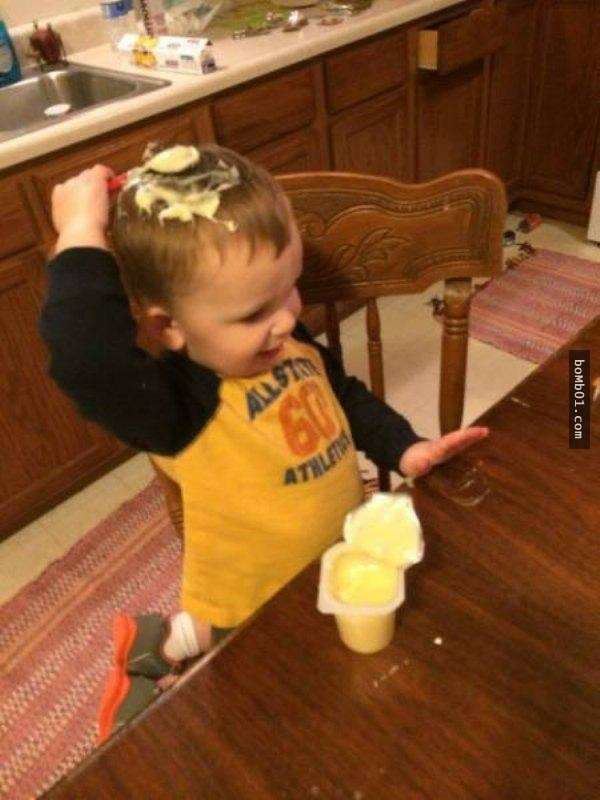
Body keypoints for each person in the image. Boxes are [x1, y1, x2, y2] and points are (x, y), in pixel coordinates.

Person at [40, 143, 488, 736]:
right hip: (255, 595)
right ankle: (162, 652)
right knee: (255, 673)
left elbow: (343, 395)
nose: (286, 319)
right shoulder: (176, 406)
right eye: (255, 313)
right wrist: (79, 232)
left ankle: (157, 638)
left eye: (290, 288)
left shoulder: (288, 340)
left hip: (326, 557)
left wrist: (404, 447)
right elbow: (85, 360)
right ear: (169, 325)